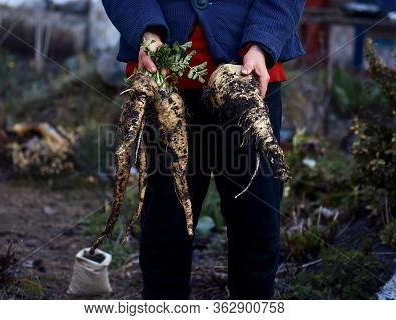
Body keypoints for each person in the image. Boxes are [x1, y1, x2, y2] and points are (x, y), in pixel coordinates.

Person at [101, 0, 305, 299]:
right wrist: (147, 33)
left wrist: (261, 42)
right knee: (165, 221)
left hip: (248, 74)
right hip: (162, 75)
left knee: (256, 218)